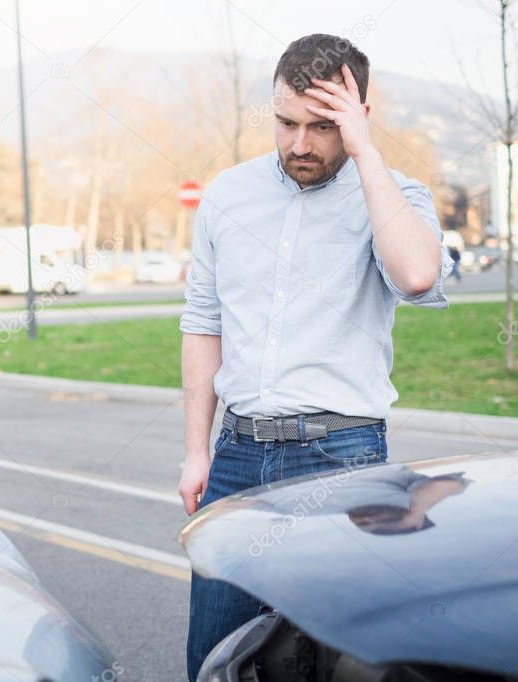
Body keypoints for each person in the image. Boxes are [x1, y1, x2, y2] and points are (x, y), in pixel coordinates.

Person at [177, 34, 452, 680]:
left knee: (330, 663)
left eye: (321, 127)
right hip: (237, 456)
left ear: (357, 116)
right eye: (285, 123)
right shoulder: (227, 195)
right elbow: (201, 323)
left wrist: (361, 151)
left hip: (341, 461)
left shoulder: (394, 195)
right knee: (213, 659)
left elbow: (415, 275)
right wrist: (196, 449)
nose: (299, 144)